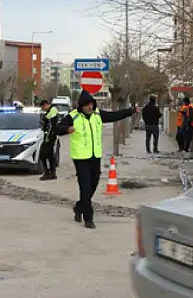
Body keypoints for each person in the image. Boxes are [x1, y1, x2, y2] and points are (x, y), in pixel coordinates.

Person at [57, 90, 135, 229]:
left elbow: (113, 116)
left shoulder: (97, 114)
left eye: (92, 104)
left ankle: (79, 207)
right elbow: (58, 129)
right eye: (87, 105)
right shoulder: (73, 116)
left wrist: (129, 111)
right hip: (80, 157)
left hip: (95, 156)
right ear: (81, 106)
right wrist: (67, 129)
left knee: (93, 185)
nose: (90, 107)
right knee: (85, 187)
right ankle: (89, 219)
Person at [38, 99, 59, 181]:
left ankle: (48, 173)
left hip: (50, 137)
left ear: (46, 105)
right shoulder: (50, 111)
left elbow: (52, 126)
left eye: (43, 107)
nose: (43, 109)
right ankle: (52, 173)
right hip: (49, 136)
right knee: (49, 155)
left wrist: (48, 137)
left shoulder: (53, 110)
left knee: (43, 155)